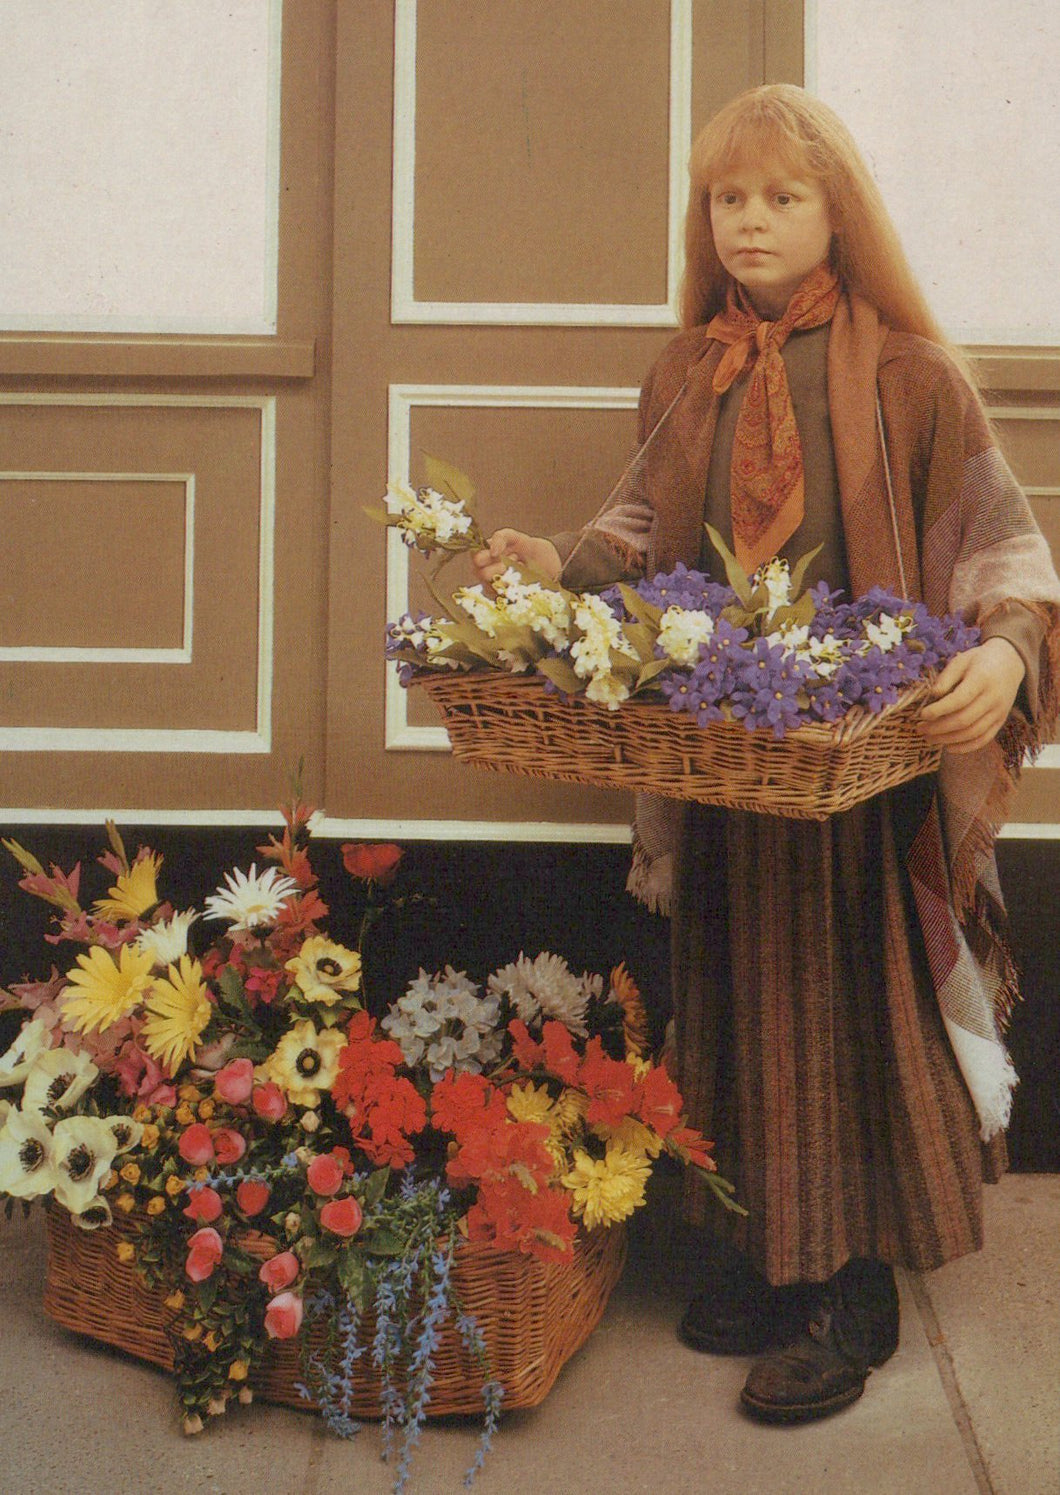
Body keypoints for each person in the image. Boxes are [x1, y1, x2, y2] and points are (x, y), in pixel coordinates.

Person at [472, 83, 1060, 1424]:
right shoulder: (690, 372)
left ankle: (854, 1282)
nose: (749, 220)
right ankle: (764, 1247)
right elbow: (637, 533)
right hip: (733, 762)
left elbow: (1002, 542)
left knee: (853, 1001)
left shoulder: (912, 377)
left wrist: (1009, 649)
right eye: (727, 198)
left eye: (783, 196)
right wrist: (552, 562)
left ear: (839, 215)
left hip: (861, 771)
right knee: (739, 992)